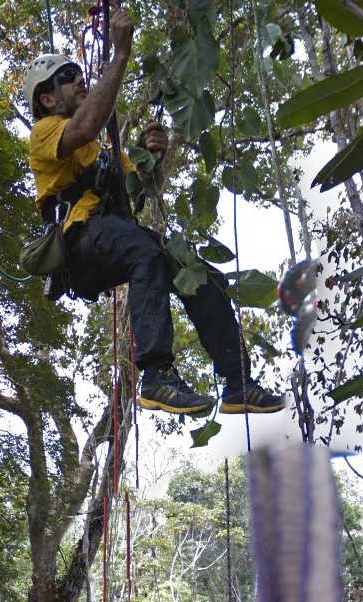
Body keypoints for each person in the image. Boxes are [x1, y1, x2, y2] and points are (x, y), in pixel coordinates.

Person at [22, 10, 285, 417]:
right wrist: (120, 55)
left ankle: (237, 382)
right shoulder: (46, 133)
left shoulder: (106, 149)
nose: (79, 80)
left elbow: (141, 189)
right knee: (145, 251)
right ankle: (157, 375)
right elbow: (87, 125)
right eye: (69, 76)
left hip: (111, 237)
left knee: (196, 272)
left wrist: (153, 158)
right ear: (48, 98)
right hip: (80, 243)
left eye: (79, 73)